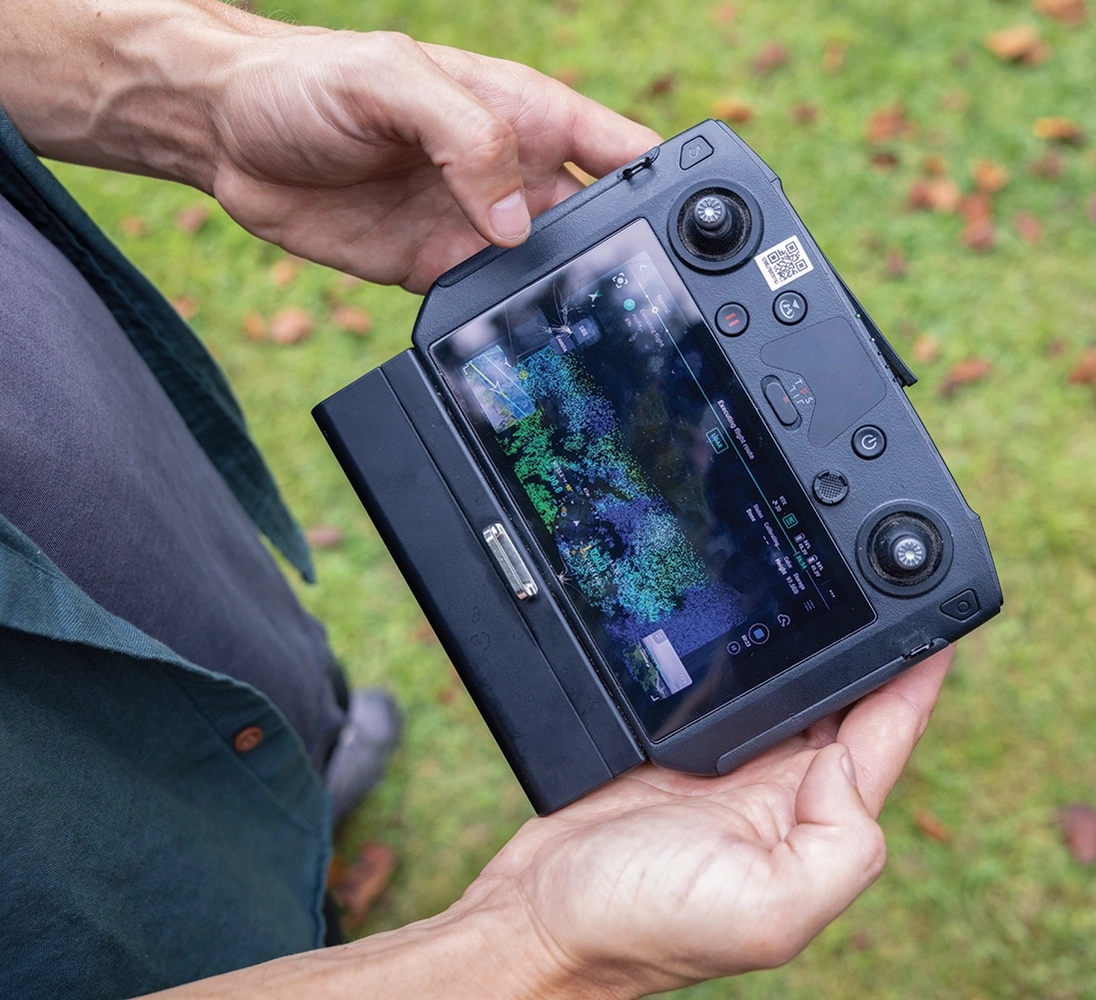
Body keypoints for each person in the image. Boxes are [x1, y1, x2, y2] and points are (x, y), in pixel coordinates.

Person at [0, 1, 954, 997]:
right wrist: (532, 944)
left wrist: (195, 87)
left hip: (49, 423)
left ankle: (301, 763)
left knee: (214, 627)